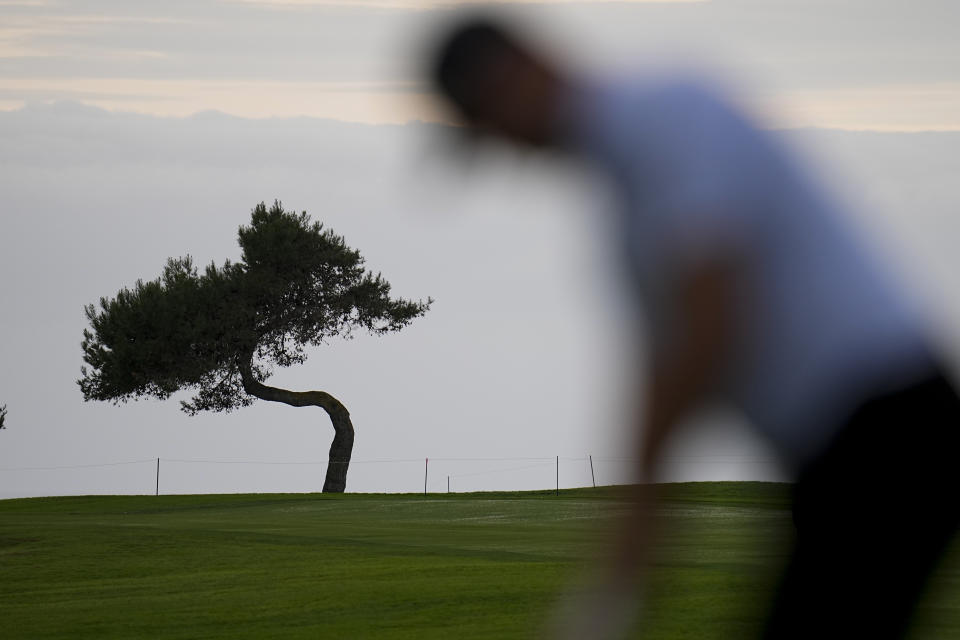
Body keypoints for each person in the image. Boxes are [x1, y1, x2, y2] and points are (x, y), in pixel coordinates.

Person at [427, 16, 960, 640]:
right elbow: (665, 375)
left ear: (527, 64)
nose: (503, 143)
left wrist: (629, 550)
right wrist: (627, 562)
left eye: (489, 114)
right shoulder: (627, 228)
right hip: (844, 461)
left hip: (893, 432)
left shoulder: (670, 109)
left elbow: (710, 322)